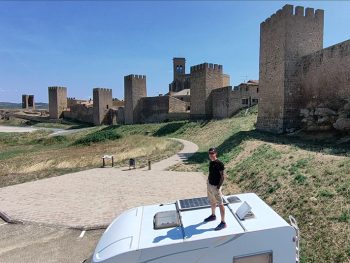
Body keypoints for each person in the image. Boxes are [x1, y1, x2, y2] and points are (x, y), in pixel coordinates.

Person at [203, 147, 226, 231]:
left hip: (216, 187)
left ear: (216, 153)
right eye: (210, 153)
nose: (211, 155)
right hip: (210, 185)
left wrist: (218, 187)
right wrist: (208, 182)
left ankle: (223, 222)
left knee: (220, 204)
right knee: (212, 201)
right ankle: (213, 216)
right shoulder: (211, 162)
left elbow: (223, 177)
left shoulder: (219, 163)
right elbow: (211, 173)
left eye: (212, 153)